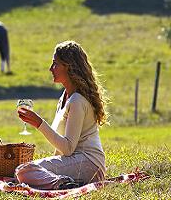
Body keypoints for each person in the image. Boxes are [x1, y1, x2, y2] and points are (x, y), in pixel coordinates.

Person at [15, 40, 107, 190]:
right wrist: (53, 163)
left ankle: (63, 184)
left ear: (69, 67)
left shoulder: (77, 100)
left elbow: (68, 148)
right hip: (75, 161)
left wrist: (40, 123)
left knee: (24, 171)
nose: (51, 68)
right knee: (22, 170)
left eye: (55, 64)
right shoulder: (65, 96)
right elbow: (61, 149)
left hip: (89, 164)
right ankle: (66, 182)